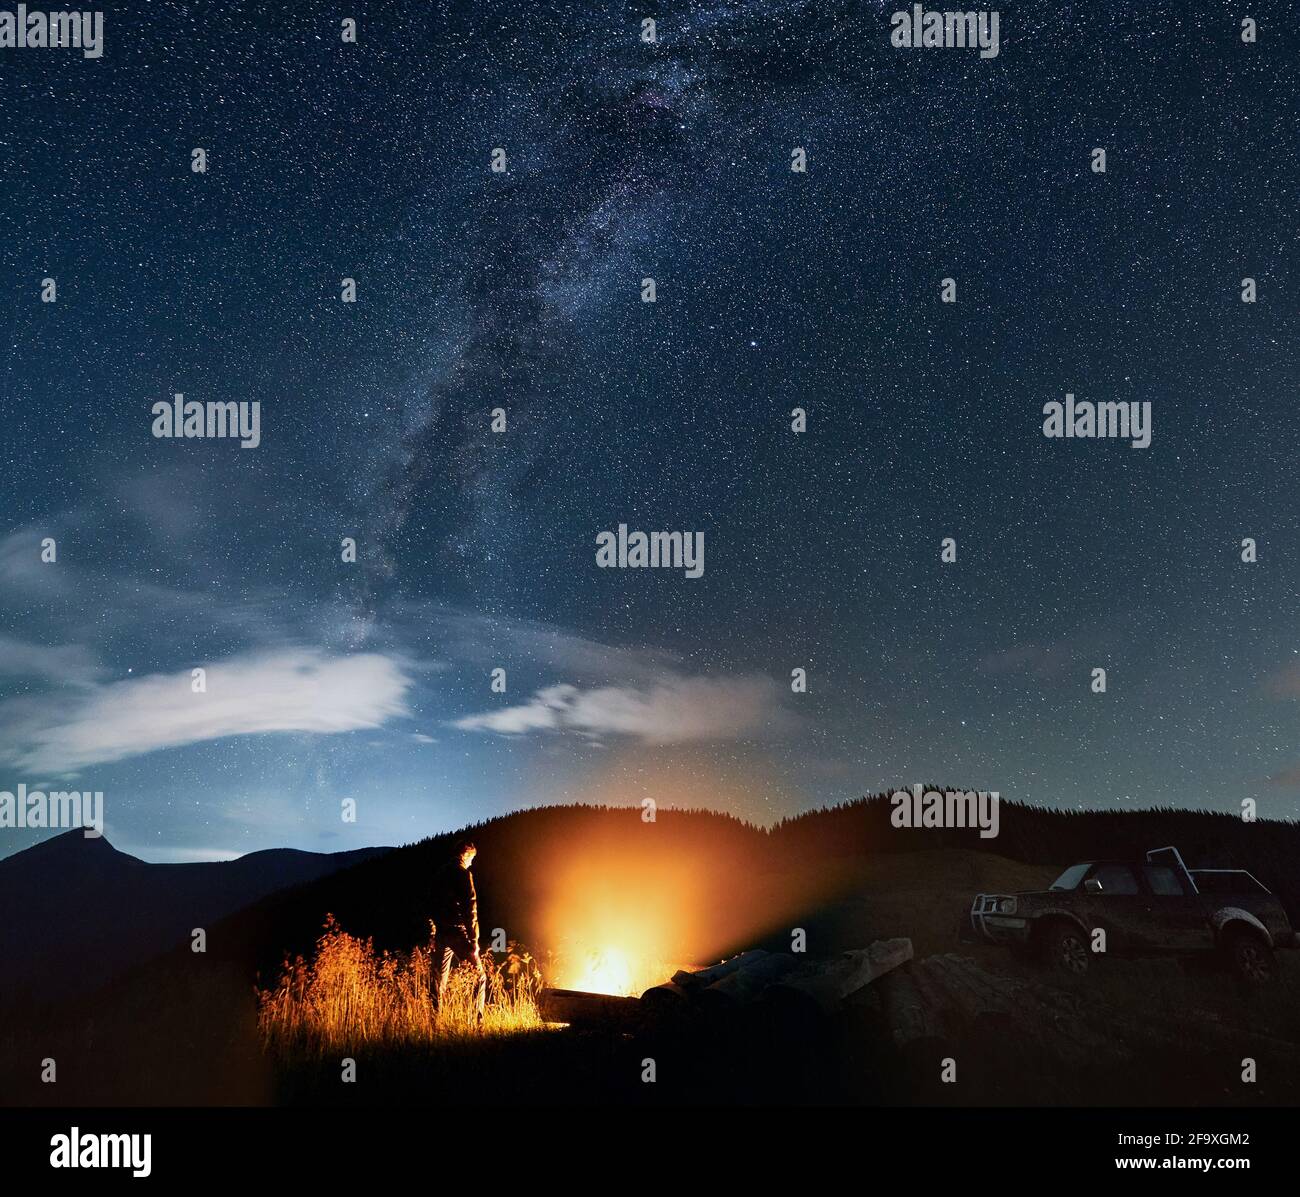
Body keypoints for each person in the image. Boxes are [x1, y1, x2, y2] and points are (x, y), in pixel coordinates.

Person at [430, 838, 486, 1025]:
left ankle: (433, 1023)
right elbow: (470, 908)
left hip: (441, 932)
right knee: (479, 976)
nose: (472, 862)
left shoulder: (439, 873)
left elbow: (428, 904)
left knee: (439, 979)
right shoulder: (462, 874)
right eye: (472, 858)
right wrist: (474, 940)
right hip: (459, 932)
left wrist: (433, 929)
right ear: (466, 855)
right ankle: (476, 1024)